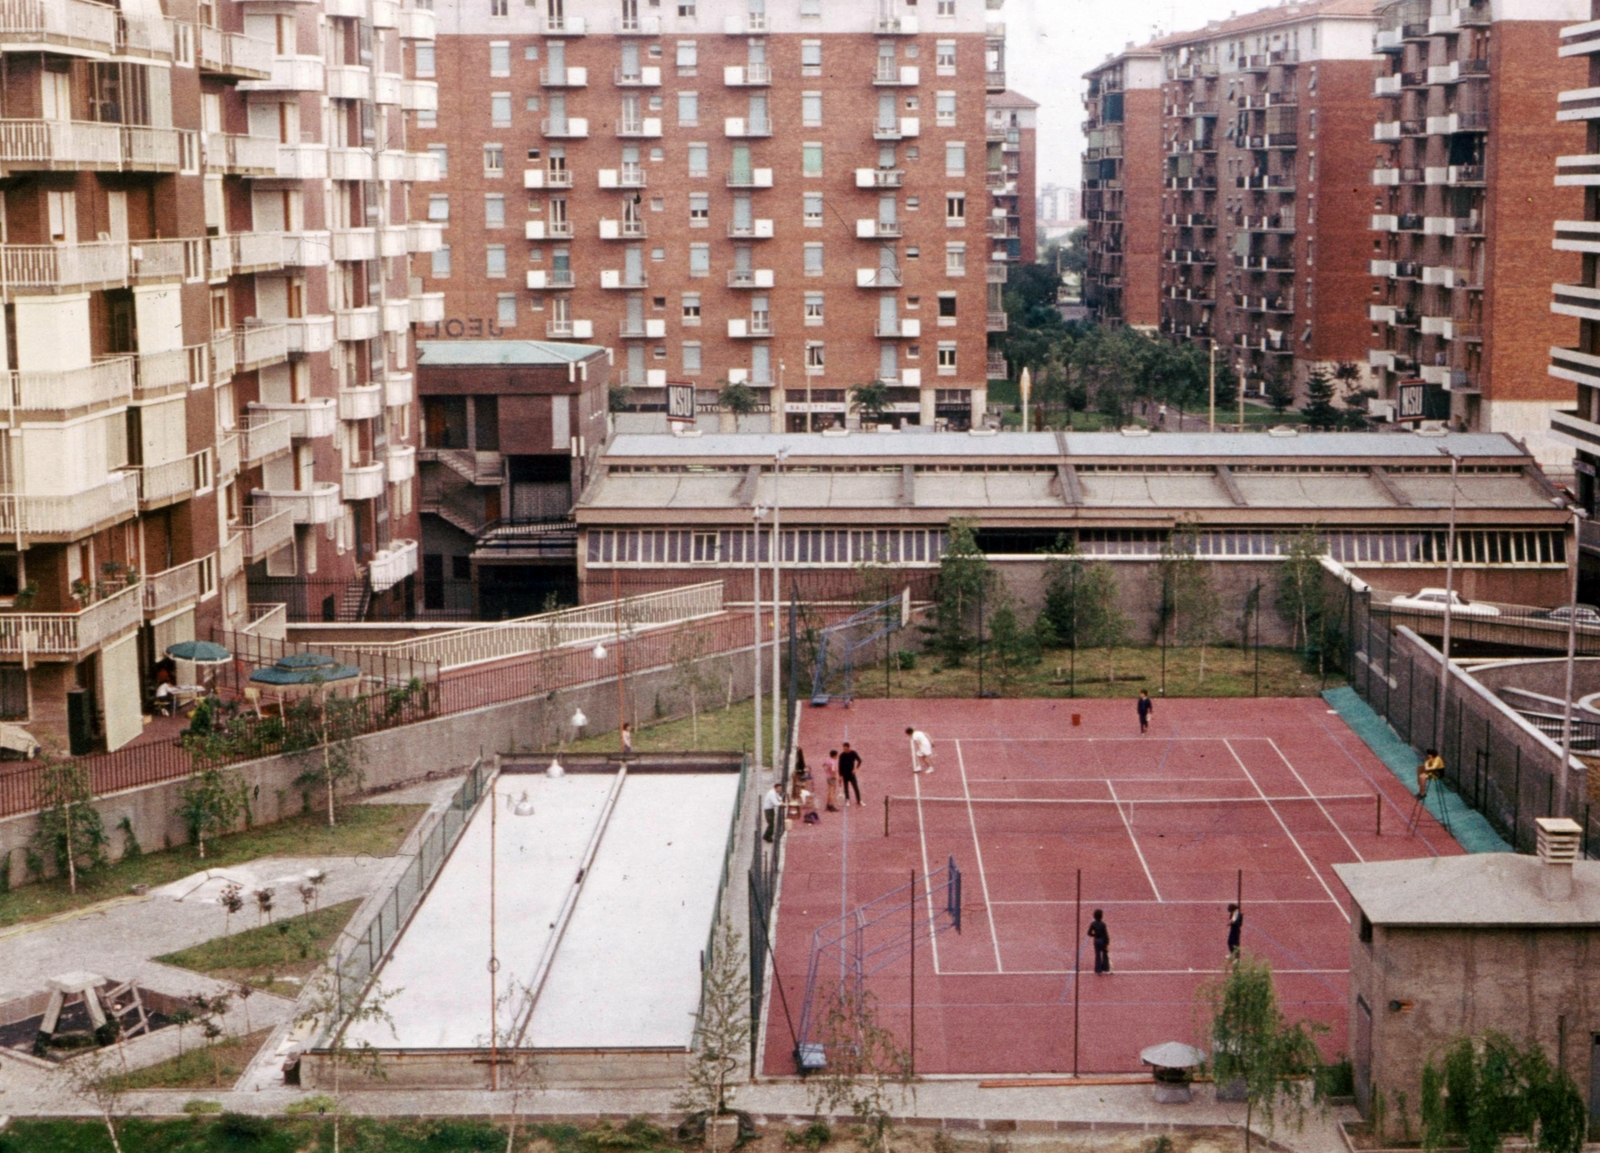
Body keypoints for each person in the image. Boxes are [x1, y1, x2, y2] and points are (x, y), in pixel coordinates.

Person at [837, 742, 863, 807]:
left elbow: (859, 761)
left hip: (851, 774)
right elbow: (840, 765)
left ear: (849, 748)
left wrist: (856, 769)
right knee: (846, 788)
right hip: (845, 774)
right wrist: (840, 775)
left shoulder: (853, 753)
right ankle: (847, 800)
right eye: (843, 749)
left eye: (845, 748)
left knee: (856, 787)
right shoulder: (842, 755)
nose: (844, 750)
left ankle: (859, 800)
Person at [1087, 909, 1110, 974]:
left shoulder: (1093, 924)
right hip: (1102, 940)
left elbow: (1089, 933)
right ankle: (1105, 968)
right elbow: (1105, 934)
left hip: (1096, 940)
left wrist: (1095, 935)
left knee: (1098, 955)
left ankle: (1098, 969)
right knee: (1105, 954)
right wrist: (1107, 941)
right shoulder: (1103, 924)